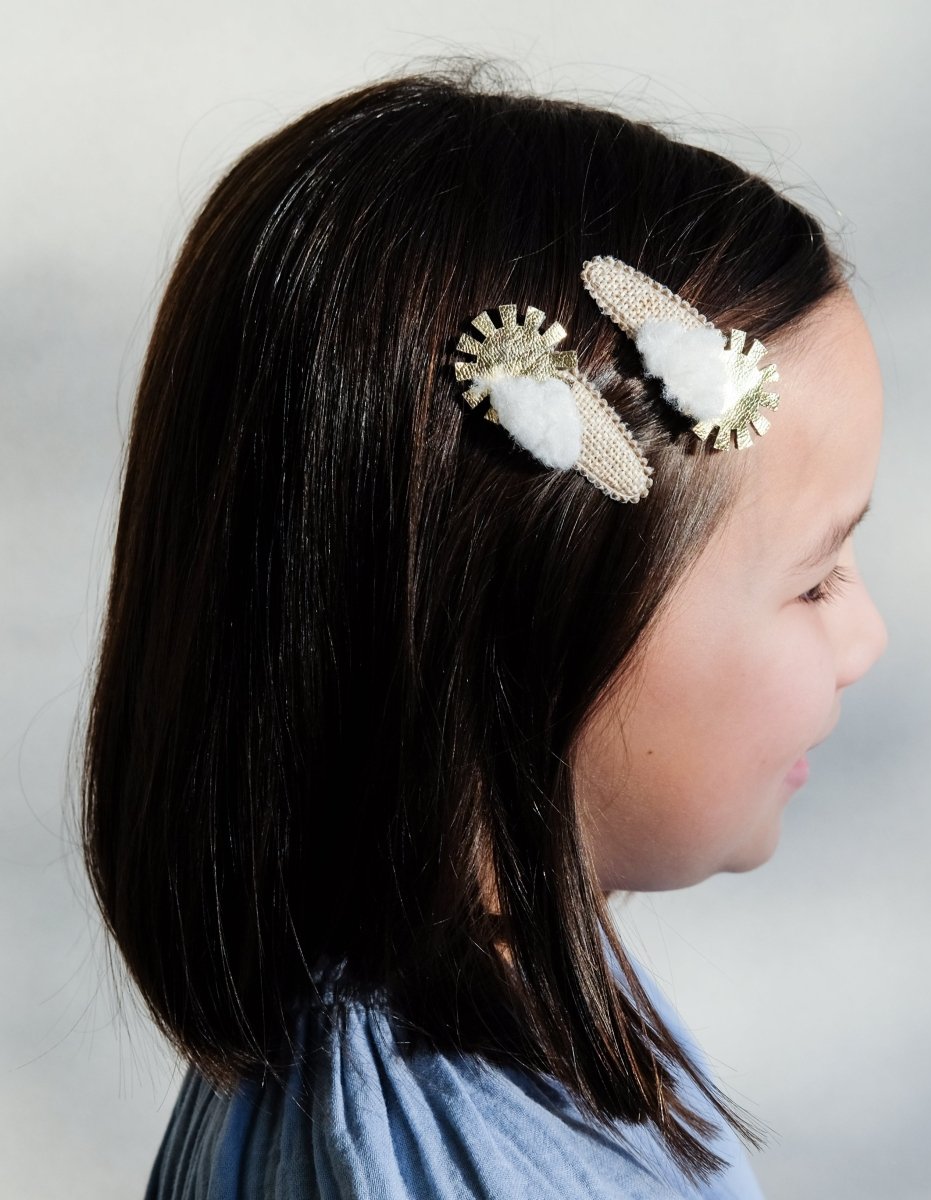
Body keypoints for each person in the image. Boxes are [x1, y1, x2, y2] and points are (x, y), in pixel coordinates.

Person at [79, 57, 888, 1198]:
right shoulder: (428, 1166)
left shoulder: (493, 1031)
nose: (867, 640)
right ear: (528, 628)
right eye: (814, 584)